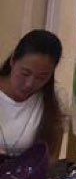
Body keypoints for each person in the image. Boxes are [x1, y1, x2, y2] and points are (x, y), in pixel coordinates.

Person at [0, 30, 64, 160]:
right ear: (13, 60)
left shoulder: (52, 101)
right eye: (25, 73)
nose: (29, 84)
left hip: (30, 173)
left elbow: (51, 159)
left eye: (41, 77)